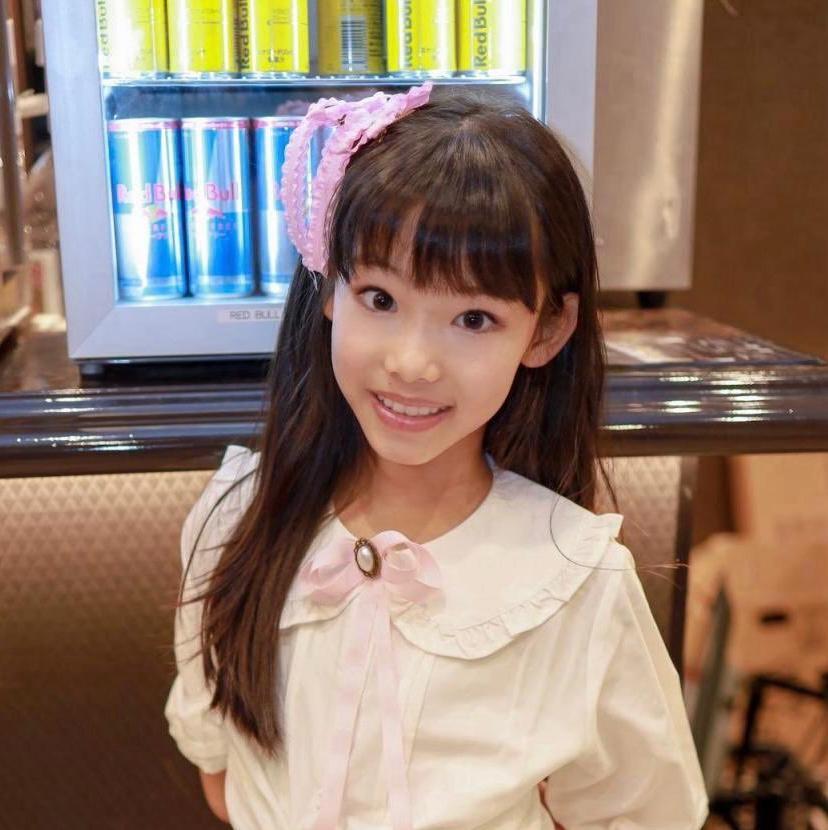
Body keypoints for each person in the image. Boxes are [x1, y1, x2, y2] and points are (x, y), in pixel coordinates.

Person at [164, 82, 708, 830]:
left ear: (547, 330)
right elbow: (222, 771)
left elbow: (646, 814)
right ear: (329, 288)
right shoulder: (234, 521)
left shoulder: (576, 582)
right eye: (381, 299)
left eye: (473, 318)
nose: (412, 363)